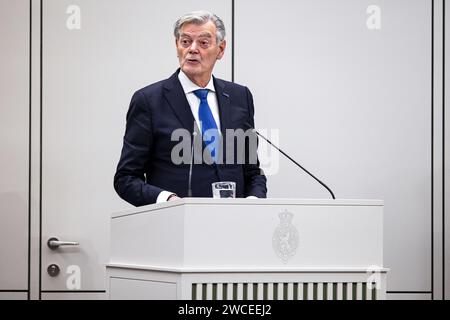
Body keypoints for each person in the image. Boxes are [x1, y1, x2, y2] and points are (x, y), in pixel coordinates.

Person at [114, 10, 267, 206]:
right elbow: (126, 178)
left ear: (221, 49)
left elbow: (252, 171)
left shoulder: (239, 97)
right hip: (175, 226)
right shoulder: (148, 101)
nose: (192, 49)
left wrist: (253, 203)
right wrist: (167, 200)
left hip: (233, 225)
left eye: (203, 43)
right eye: (185, 41)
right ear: (177, 46)